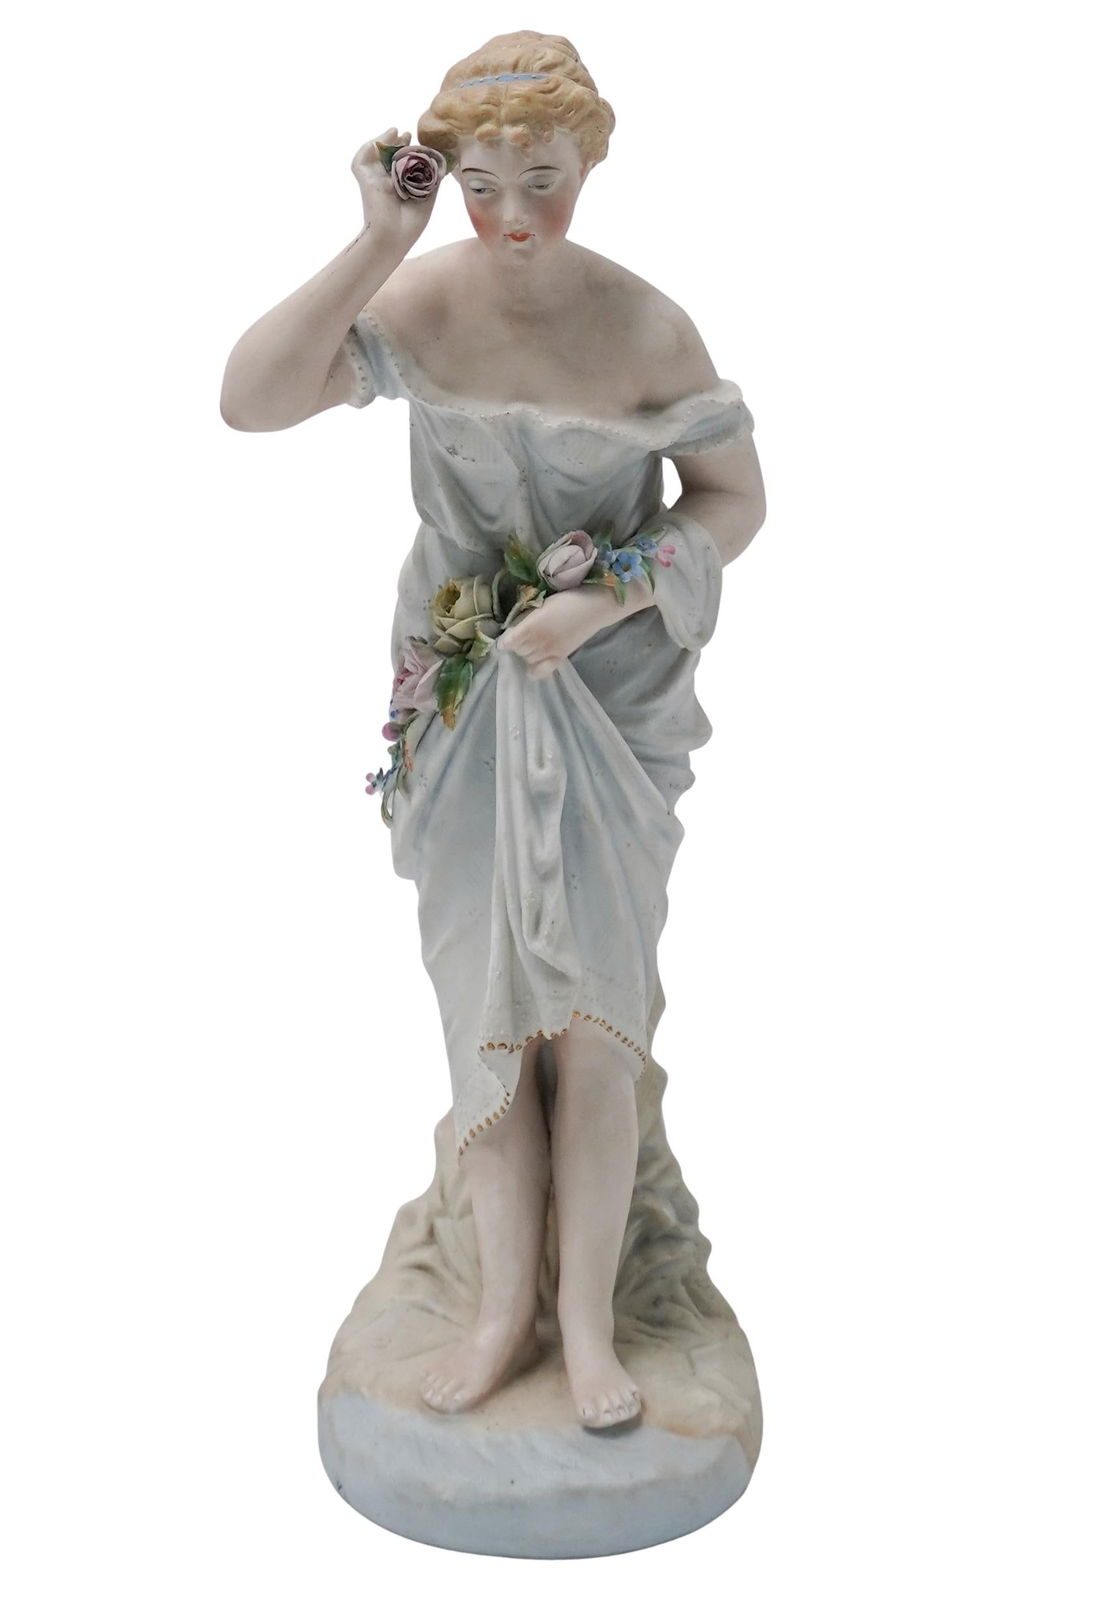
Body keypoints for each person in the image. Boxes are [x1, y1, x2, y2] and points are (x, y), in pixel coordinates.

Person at [220, 32, 765, 1431]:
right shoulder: (421, 296)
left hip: (608, 704)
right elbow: (251, 400)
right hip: (462, 699)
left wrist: (607, 600)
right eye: (479, 186)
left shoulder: (648, 329)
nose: (514, 216)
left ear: (593, 161)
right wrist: (377, 240)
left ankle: (586, 1329)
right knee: (489, 1023)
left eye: (545, 179)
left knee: (595, 1025)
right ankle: (496, 1310)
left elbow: (734, 501)